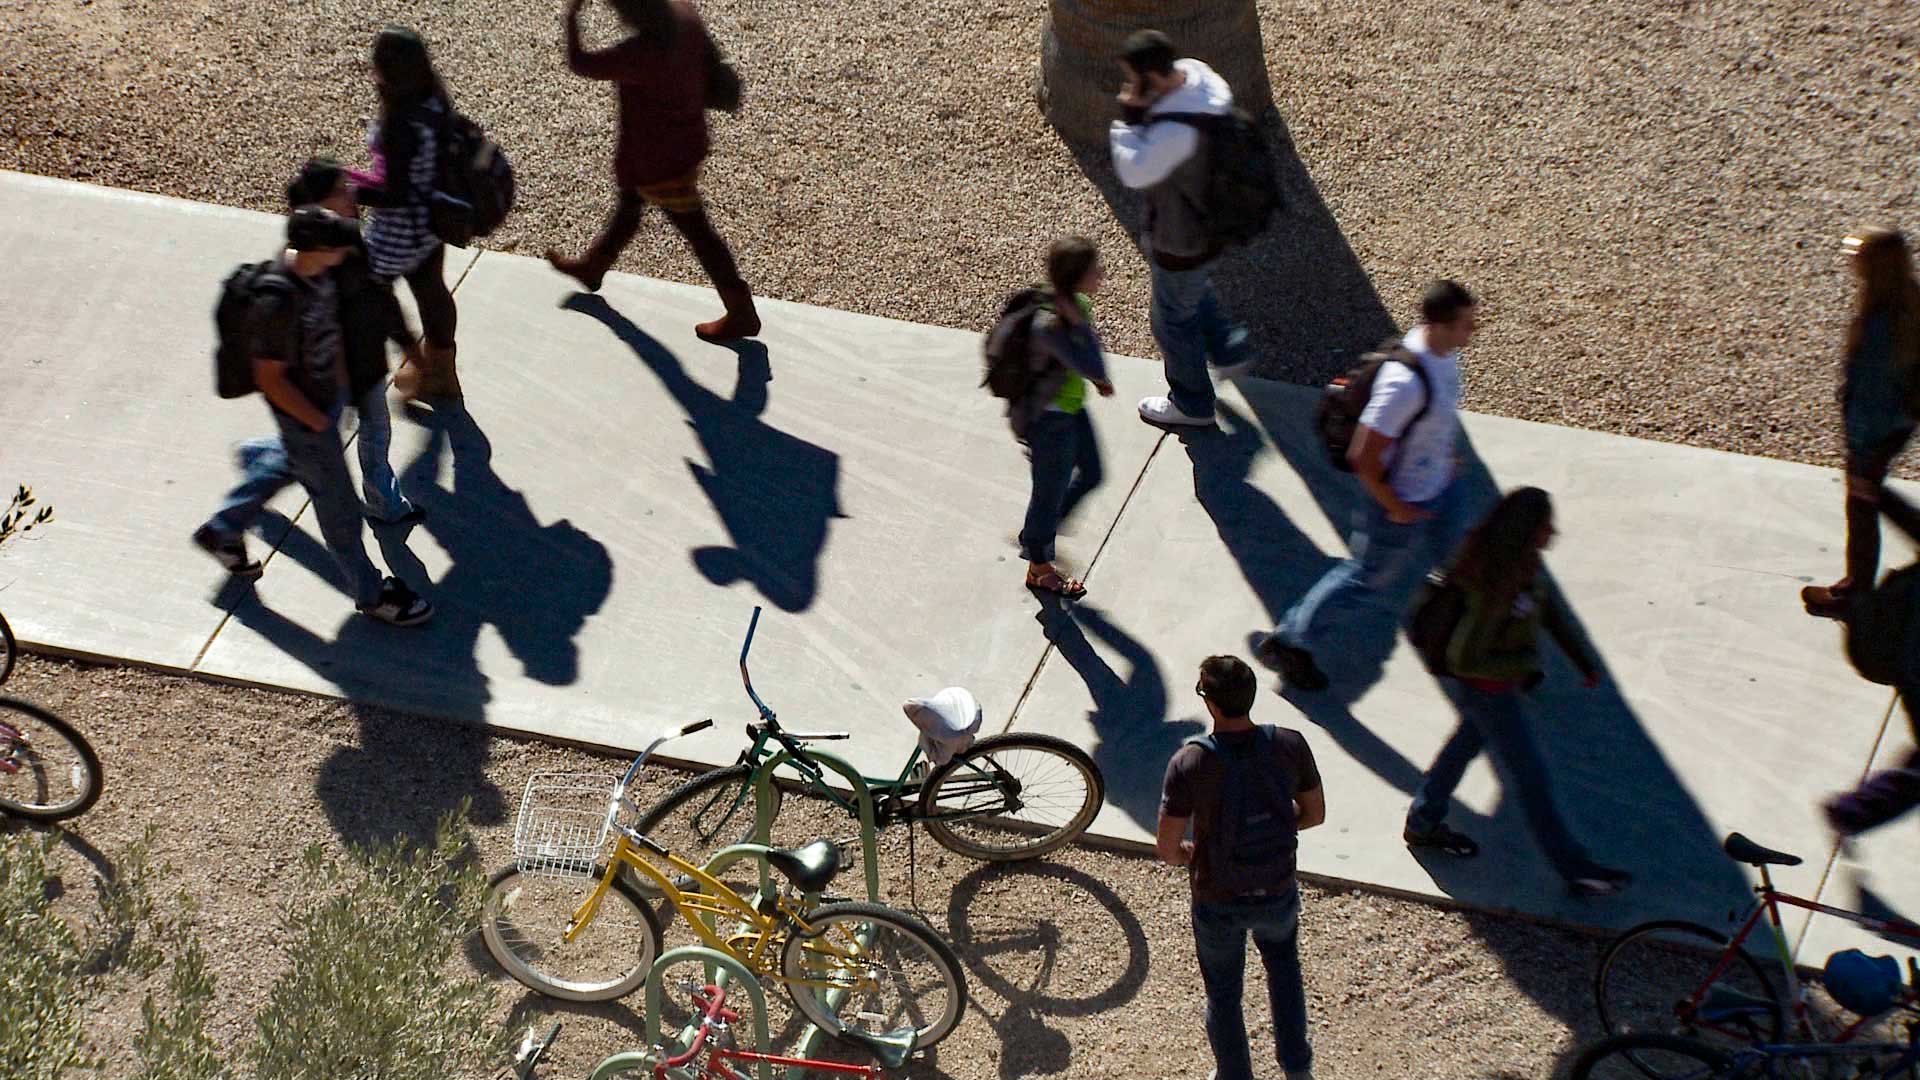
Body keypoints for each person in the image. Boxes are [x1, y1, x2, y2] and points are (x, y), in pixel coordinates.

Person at [191, 207, 435, 627]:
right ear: (314, 248)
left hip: (326, 400)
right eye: (336, 244)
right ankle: (374, 596)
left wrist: (341, 384)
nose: (345, 250)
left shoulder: (317, 274)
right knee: (339, 507)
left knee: (294, 462)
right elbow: (270, 378)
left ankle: (225, 526)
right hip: (306, 415)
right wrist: (317, 421)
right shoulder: (277, 300)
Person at [1402, 487, 1628, 895]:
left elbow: (1548, 609)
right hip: (1488, 689)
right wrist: (1521, 665)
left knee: (1463, 746)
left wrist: (1581, 660)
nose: (1553, 533)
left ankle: (1422, 820)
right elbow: (1465, 658)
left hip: (1494, 687)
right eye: (1546, 526)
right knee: (1532, 780)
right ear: (1527, 530)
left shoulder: (1522, 563)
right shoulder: (1490, 581)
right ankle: (1573, 868)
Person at [1256, 280, 1478, 691]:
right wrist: (1394, 505)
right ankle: (1291, 642)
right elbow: (1364, 456)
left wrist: (1445, 458)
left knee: (1462, 557)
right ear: (1441, 325)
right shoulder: (1403, 384)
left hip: (1438, 487)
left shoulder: (1443, 356)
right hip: (1402, 501)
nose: (1474, 331)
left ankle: (1463, 635)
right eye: (1467, 324)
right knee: (1367, 579)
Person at [546, 0, 760, 343]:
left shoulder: (643, 53)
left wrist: (573, 17)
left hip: (658, 159)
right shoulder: (684, 15)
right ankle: (594, 266)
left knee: (698, 231)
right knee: (629, 204)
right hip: (682, 140)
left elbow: (581, 63)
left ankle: (741, 311)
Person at [1159, 655, 1323, 1080]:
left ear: (1209, 703)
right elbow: (1315, 814)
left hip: (1218, 897)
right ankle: (1297, 1069)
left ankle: (1235, 1074)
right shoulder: (1290, 744)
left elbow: (1168, 846)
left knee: (1224, 993)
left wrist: (1189, 855)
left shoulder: (1190, 762)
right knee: (1285, 974)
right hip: (1277, 889)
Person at [1109, 30, 1251, 429]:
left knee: (1170, 321)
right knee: (1192, 291)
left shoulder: (1176, 132)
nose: (1128, 86)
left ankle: (1192, 404)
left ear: (1150, 78)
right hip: (1211, 225)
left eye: (1133, 78)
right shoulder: (1200, 77)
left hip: (1181, 237)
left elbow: (1133, 171)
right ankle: (1227, 347)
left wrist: (1129, 118)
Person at [286, 158, 424, 526]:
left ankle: (383, 502)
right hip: (331, 372)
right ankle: (261, 463)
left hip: (363, 366)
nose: (353, 196)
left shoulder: (349, 238)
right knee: (316, 442)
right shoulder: (307, 258)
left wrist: (406, 343)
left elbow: (378, 298)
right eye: (341, 192)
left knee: (374, 431)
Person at [1802, 228, 1920, 619]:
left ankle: (1857, 593)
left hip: (1874, 432)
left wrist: (1859, 448)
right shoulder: (1908, 306)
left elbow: (1871, 393)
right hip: (1893, 428)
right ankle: (1857, 586)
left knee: (1863, 505)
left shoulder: (1880, 325)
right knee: (1869, 502)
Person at [350, 26, 462, 401]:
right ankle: (443, 372)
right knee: (432, 290)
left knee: (368, 289)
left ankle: (410, 362)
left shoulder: (399, 123)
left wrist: (346, 187)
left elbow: (393, 192)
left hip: (399, 230)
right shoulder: (434, 99)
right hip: (432, 221)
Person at [1016, 237, 1114, 598]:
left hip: (1070, 408)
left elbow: (1090, 367)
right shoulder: (1049, 323)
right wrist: (1082, 334)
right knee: (1048, 494)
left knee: (1092, 474)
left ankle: (1038, 535)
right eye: (1094, 270)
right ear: (1076, 276)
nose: (1102, 274)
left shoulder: (1076, 304)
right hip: (1048, 420)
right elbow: (1092, 364)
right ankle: (1039, 568)